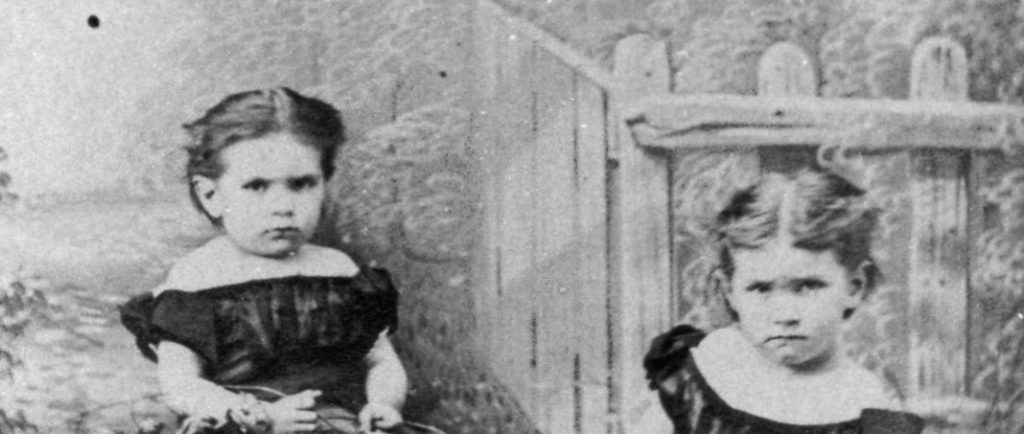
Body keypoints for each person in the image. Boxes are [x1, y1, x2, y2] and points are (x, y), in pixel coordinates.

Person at [120, 88, 424, 434]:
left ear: (325, 185)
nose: (283, 205)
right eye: (257, 186)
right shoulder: (197, 279)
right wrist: (256, 416)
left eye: (301, 184)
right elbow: (181, 384)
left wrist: (383, 403)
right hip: (240, 422)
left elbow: (380, 361)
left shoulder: (340, 271)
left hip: (335, 424)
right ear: (211, 195)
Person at [644, 168, 925, 434]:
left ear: (854, 286)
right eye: (760, 289)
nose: (785, 314)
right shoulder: (698, 375)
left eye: (808, 286)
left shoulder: (867, 404)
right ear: (729, 289)